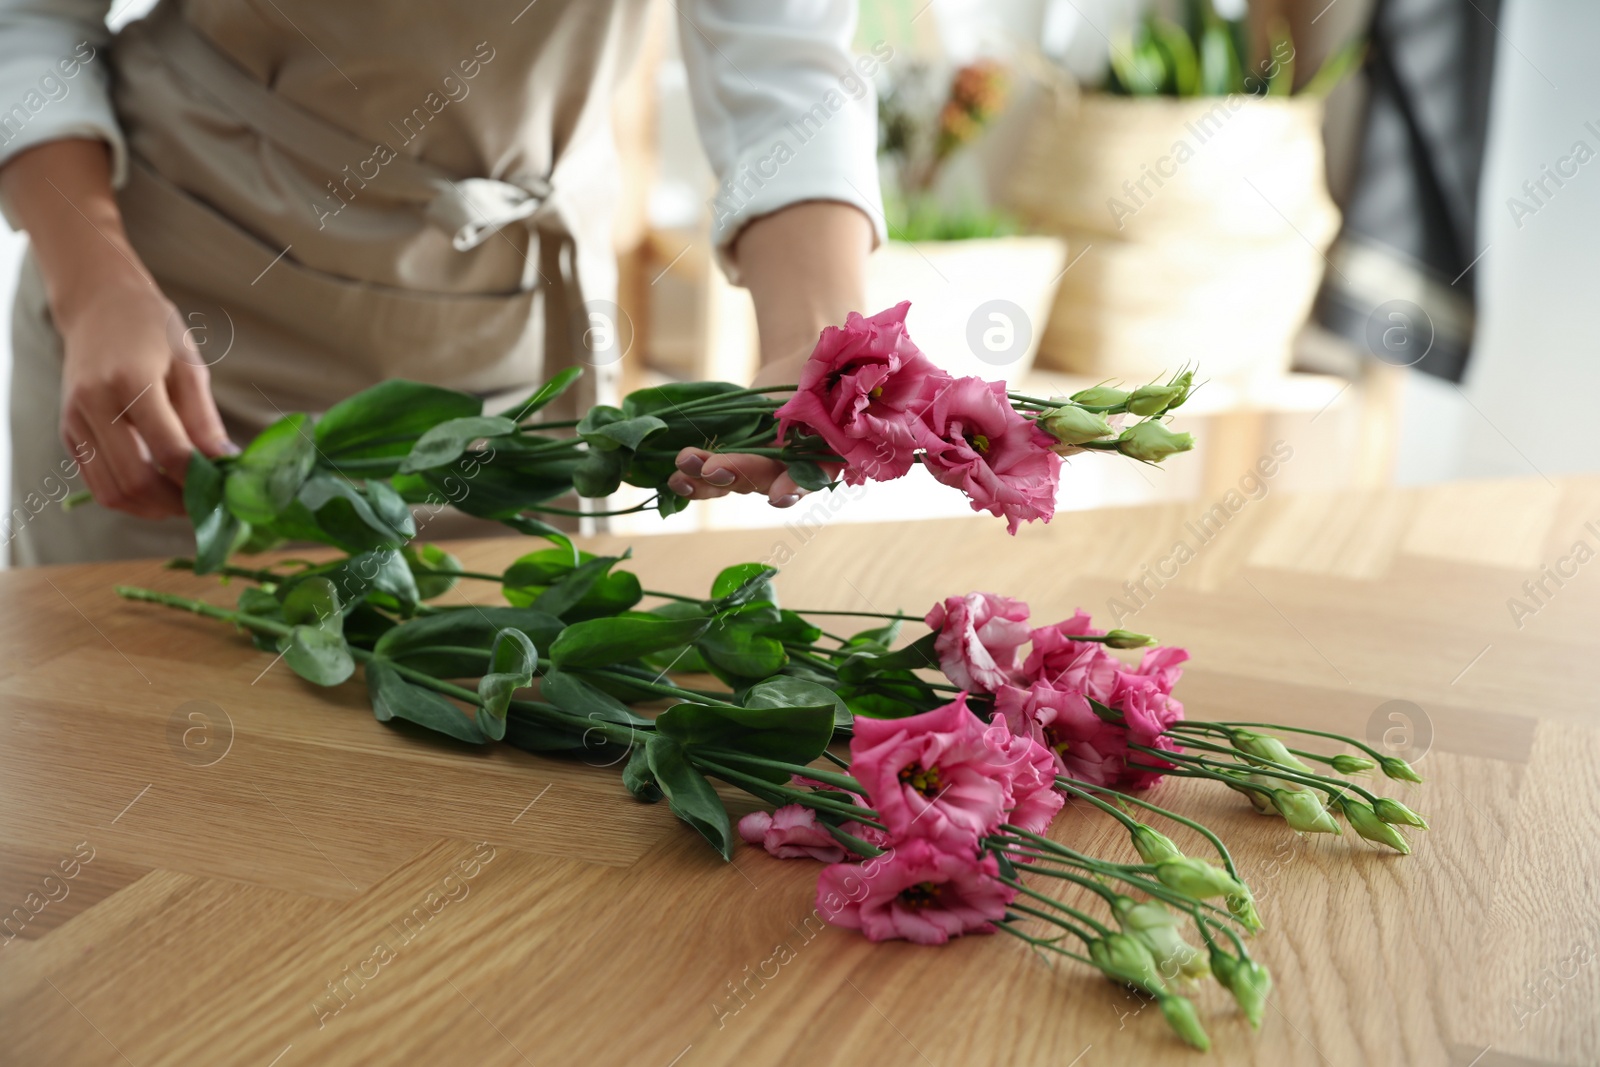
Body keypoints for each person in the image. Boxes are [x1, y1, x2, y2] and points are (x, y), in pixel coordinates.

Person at [0, 0, 883, 565]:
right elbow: (31, 20)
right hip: (167, 333)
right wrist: (96, 289)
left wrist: (814, 341)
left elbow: (783, 57)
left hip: (506, 376)